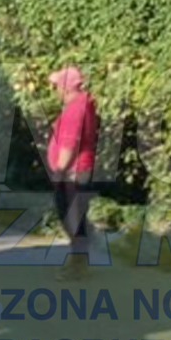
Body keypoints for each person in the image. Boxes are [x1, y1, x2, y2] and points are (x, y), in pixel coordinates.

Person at [46, 65, 100, 281]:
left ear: (66, 87)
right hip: (79, 169)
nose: (55, 90)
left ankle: (78, 265)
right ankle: (80, 259)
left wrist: (59, 171)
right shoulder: (83, 103)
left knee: (71, 217)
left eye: (57, 86)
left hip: (72, 172)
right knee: (75, 216)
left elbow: (70, 144)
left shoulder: (75, 109)